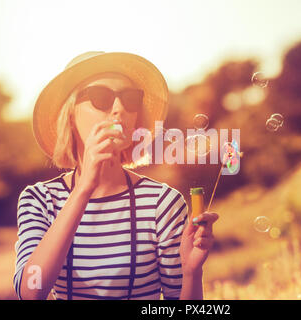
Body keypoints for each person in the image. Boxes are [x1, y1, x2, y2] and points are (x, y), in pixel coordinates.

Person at [13, 51, 219, 300]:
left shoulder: (162, 203)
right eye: (101, 97)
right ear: (70, 112)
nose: (119, 109)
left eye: (130, 99)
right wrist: (83, 189)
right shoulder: (40, 199)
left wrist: (191, 274)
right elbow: (31, 290)